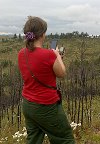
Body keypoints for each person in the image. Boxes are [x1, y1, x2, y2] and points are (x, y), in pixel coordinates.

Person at [18, 16, 75, 144]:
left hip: (28, 104)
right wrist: (57, 56)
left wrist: (55, 58)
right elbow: (62, 73)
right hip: (46, 105)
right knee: (64, 139)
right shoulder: (49, 54)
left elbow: (41, 70)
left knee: (33, 139)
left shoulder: (21, 53)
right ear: (42, 34)